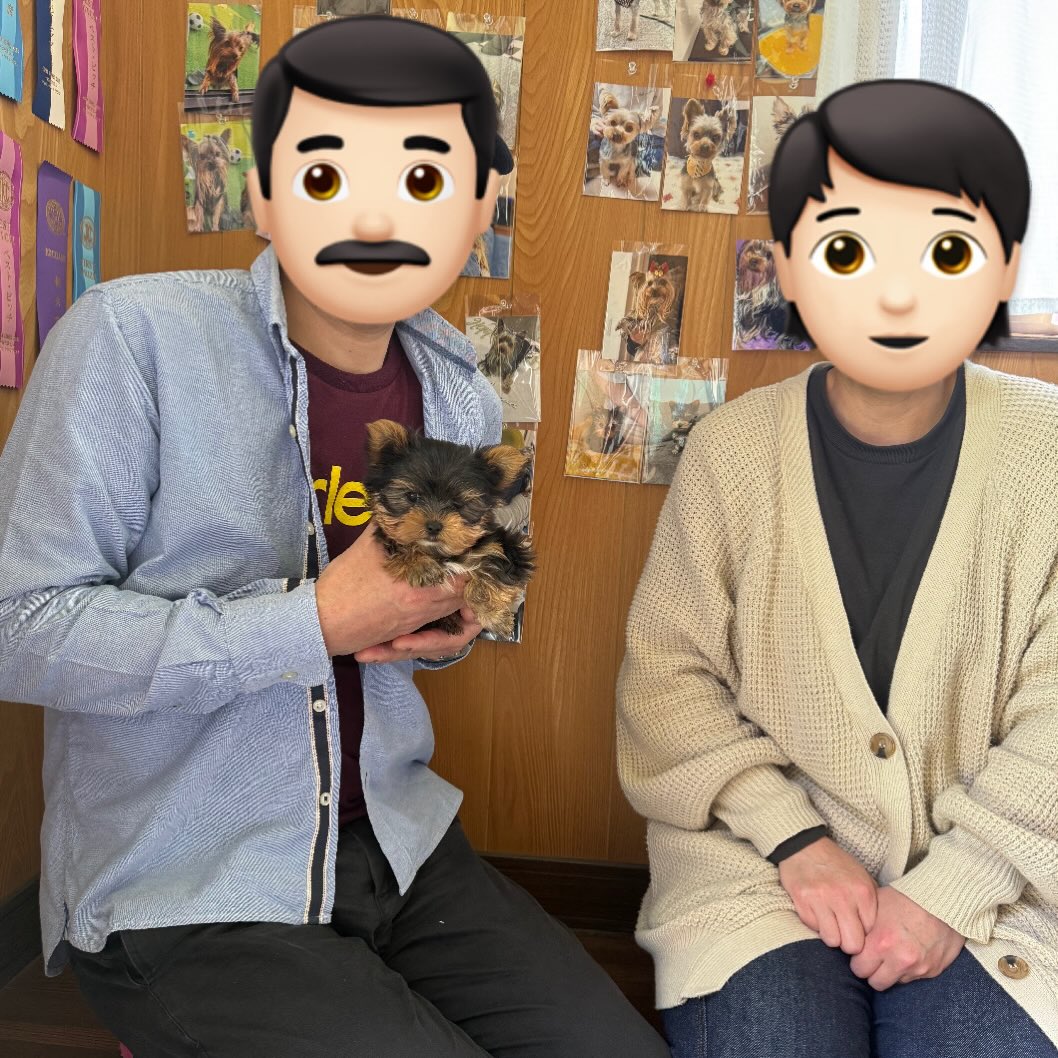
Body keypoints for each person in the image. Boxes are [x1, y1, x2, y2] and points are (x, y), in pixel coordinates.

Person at [0, 17, 668, 1058]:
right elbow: (19, 628)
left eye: (422, 178)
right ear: (262, 194)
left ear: (480, 204)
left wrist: (441, 629)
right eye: (323, 175)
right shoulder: (132, 337)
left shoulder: (459, 389)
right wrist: (310, 620)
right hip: (186, 875)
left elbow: (433, 610)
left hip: (398, 840)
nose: (371, 213)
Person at [616, 79, 1058, 1058]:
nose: (896, 295)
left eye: (947, 252)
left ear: (1004, 267)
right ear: (786, 265)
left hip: (1011, 880)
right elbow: (668, 677)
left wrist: (953, 885)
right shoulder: (729, 452)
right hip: (757, 868)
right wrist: (791, 835)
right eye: (847, 252)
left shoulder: (1048, 453)